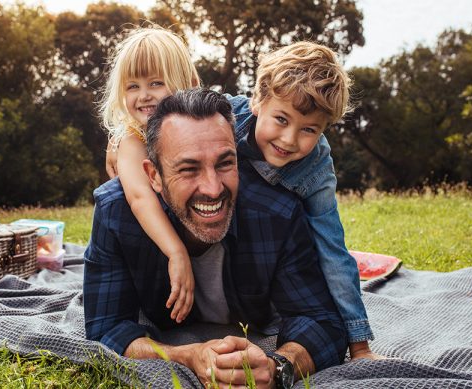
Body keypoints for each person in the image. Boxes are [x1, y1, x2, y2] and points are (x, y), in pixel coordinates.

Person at [105, 37, 378, 359]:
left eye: (309, 130)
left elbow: (333, 253)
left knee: (325, 252)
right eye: (281, 119)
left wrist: (359, 345)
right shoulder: (225, 116)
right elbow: (181, 108)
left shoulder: (316, 170)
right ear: (257, 101)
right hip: (205, 234)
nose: (289, 139)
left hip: (265, 250)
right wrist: (121, 140)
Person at [84, 88, 348, 388]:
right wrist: (187, 356)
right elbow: (106, 329)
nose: (212, 188)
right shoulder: (116, 213)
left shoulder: (277, 213)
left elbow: (324, 323)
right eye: (188, 169)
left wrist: (278, 366)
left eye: (225, 163)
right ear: (153, 176)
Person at [99, 26, 200, 323]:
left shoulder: (199, 122)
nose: (143, 96)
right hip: (153, 248)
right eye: (132, 86)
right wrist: (176, 252)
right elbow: (140, 197)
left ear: (187, 83)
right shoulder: (132, 138)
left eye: (156, 83)